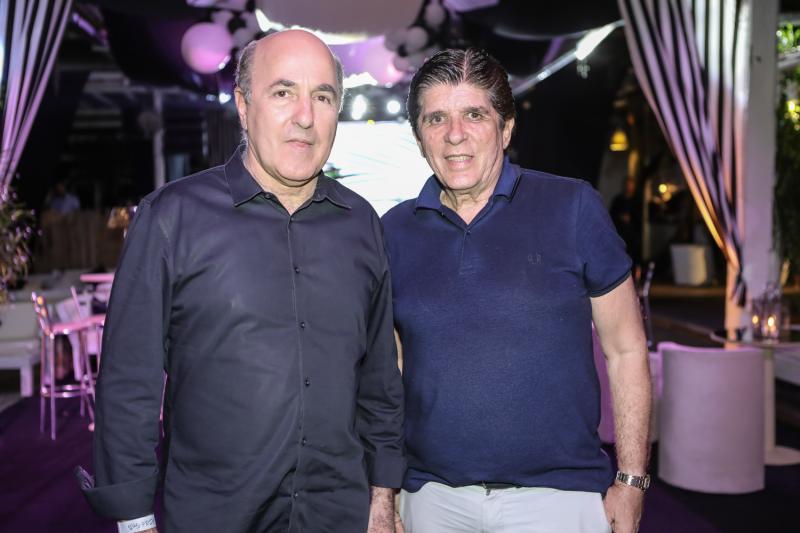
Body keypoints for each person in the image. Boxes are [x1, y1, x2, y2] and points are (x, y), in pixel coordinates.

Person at [77, 30, 405, 533]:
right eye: (283, 92)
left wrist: (383, 497)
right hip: (216, 516)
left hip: (337, 514)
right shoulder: (172, 217)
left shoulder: (361, 223)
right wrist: (135, 521)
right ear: (244, 106)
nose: (305, 116)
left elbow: (379, 380)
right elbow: (128, 382)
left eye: (322, 97)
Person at [382, 48, 651, 533]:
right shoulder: (394, 231)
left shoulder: (572, 207)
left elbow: (626, 349)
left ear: (505, 128)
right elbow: (392, 369)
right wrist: (388, 489)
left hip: (558, 499)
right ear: (420, 138)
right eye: (436, 118)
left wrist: (631, 480)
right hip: (433, 499)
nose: (455, 134)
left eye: (474, 115)